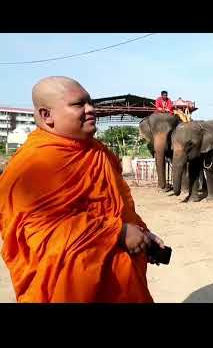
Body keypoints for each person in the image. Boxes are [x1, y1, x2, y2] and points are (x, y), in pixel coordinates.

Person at [0, 76, 166, 303]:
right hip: (71, 288)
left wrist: (143, 234)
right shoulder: (29, 165)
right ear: (46, 115)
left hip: (121, 282)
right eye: (79, 104)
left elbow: (120, 207)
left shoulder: (99, 153)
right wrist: (117, 232)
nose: (91, 109)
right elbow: (41, 232)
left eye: (90, 102)